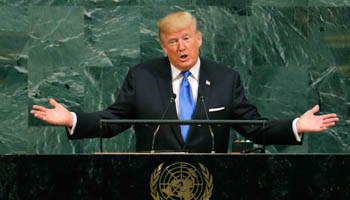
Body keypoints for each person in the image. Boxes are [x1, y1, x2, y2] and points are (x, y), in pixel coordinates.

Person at [30, 11, 339, 153]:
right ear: (164, 47)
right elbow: (115, 121)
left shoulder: (224, 79)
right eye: (173, 41)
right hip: (151, 182)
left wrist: (296, 125)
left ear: (199, 40)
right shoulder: (143, 76)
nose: (181, 47)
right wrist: (71, 118)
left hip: (213, 184)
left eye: (187, 38)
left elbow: (252, 126)